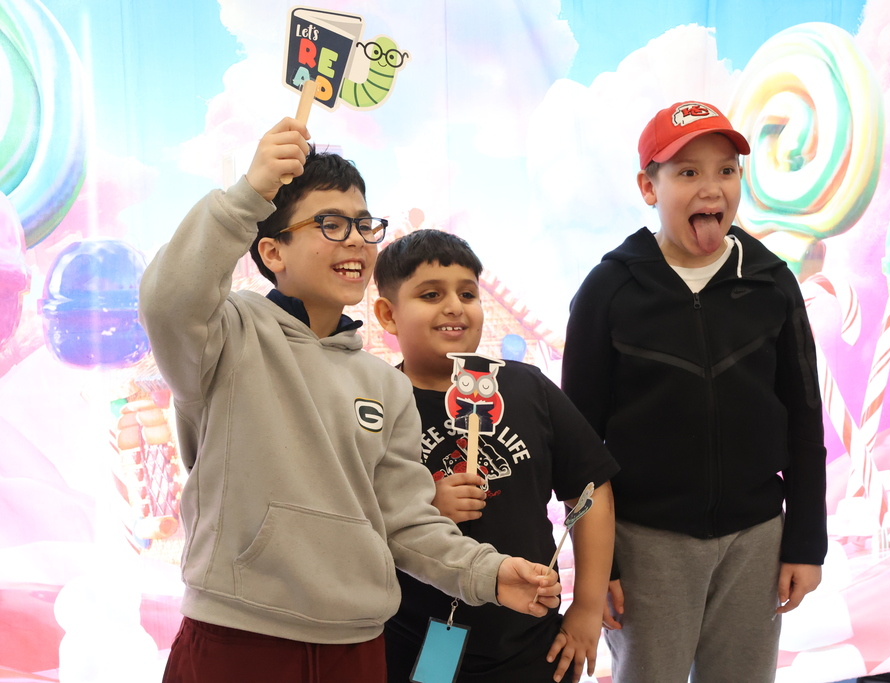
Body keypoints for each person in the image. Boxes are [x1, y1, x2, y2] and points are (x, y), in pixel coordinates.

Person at [139, 118, 561, 683]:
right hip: (238, 637)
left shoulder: (385, 384)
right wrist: (250, 192)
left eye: (364, 224)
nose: (358, 239)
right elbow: (169, 299)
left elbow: (406, 522)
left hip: (357, 648)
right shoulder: (226, 336)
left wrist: (488, 572)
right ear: (272, 250)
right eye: (331, 224)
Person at [561, 101, 827, 682]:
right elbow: (577, 446)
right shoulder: (609, 289)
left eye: (726, 170)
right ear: (647, 187)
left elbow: (806, 421)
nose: (712, 188)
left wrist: (806, 542)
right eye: (687, 173)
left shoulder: (772, 282)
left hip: (757, 540)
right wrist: (595, 566)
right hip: (646, 544)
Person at [372, 229, 619, 683]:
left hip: (529, 647)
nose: (454, 306)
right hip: (409, 644)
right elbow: (353, 517)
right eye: (430, 294)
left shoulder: (528, 388)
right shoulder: (375, 407)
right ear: (388, 314)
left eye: (468, 293)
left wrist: (586, 606)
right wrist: (423, 504)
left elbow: (590, 490)